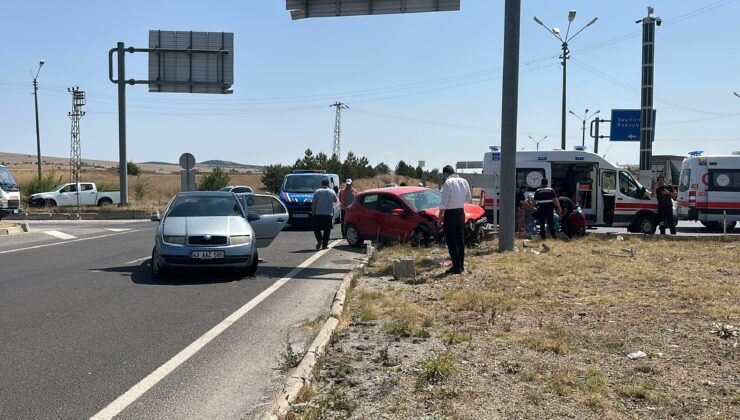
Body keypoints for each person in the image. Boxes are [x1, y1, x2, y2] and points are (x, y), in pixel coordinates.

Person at [437, 165, 471, 275]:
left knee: (451, 241)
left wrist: (439, 219)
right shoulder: (464, 181)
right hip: (461, 212)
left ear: (445, 173)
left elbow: (443, 204)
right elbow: (468, 198)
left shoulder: (448, 183)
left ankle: (456, 267)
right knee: (460, 240)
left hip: (450, 214)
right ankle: (461, 265)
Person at [311, 178, 339, 250]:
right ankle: (324, 245)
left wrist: (313, 212)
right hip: (328, 214)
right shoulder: (331, 191)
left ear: (321, 184)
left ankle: (320, 239)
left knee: (316, 229)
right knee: (327, 230)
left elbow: (313, 203)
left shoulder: (317, 192)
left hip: (318, 213)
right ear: (328, 184)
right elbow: (335, 200)